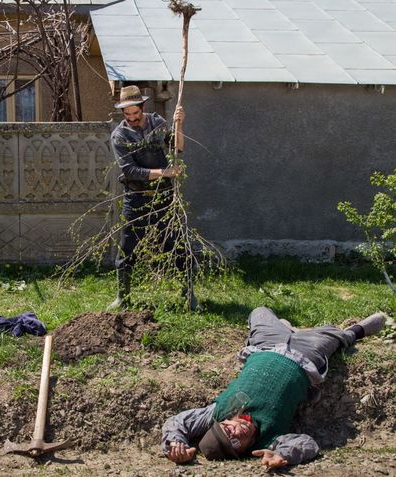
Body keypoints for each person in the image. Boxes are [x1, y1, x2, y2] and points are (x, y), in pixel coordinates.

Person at [162, 307, 388, 469]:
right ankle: (355, 331)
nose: (233, 430)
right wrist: (283, 455)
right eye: (233, 440)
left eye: (226, 428)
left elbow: (177, 422)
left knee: (259, 311)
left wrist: (176, 444)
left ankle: (285, 329)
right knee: (333, 336)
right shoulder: (269, 439)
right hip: (305, 358)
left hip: (265, 346)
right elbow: (307, 444)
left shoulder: (219, 411)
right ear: (242, 451)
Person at [108, 85, 199, 311]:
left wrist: (179, 124)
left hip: (164, 197)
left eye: (135, 113)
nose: (132, 118)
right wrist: (164, 172)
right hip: (135, 197)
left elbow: (177, 147)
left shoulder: (158, 124)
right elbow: (129, 170)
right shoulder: (119, 135)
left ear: (142, 107)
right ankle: (122, 297)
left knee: (175, 243)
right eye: (127, 114)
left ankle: (188, 294)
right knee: (127, 247)